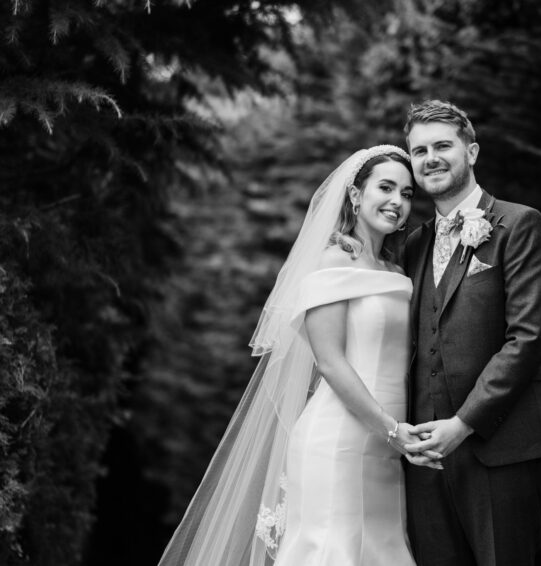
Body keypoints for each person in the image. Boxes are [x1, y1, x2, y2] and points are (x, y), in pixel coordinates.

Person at [157, 145, 440, 566]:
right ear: (356, 195)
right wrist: (391, 429)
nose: (397, 202)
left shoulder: (396, 271)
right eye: (385, 187)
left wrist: (398, 435)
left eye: (406, 192)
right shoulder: (332, 260)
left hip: (388, 445)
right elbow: (330, 362)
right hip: (340, 440)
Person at [402, 100, 541, 566]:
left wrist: (462, 424)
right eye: (418, 151)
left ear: (471, 152)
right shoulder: (413, 244)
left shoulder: (519, 225)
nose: (430, 158)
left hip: (499, 447)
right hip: (424, 457)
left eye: (442, 146)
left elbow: (527, 338)